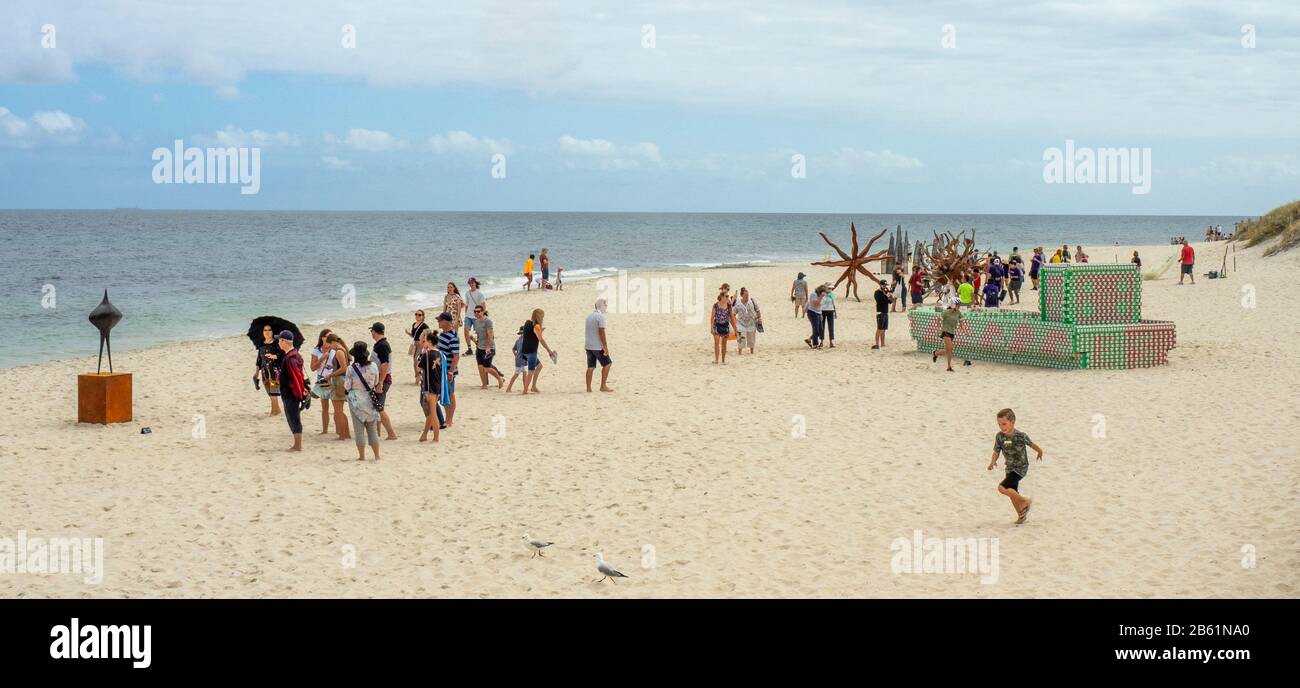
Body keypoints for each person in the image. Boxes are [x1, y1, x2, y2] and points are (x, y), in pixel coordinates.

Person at [987, 408, 1044, 525]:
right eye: (999, 424)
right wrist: (993, 462)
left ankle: (1025, 501)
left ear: (1013, 422)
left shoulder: (1020, 436)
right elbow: (996, 451)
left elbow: (1032, 444)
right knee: (1012, 492)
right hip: (1009, 468)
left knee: (1002, 488)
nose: (1001, 427)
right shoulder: (999, 437)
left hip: (1020, 468)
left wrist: (1039, 451)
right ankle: (1021, 515)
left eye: (1004, 424)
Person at [344, 341, 382, 461]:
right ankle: (377, 455)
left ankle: (362, 456)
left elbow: (347, 386)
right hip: (369, 398)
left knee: (358, 430)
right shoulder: (373, 366)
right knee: (372, 428)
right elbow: (376, 382)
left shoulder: (351, 368)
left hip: (355, 400)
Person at [274, 330, 307, 452]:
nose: (278, 342)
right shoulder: (293, 355)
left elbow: (296, 377)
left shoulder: (290, 358)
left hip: (291, 393)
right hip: (290, 392)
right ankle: (297, 445)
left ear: (284, 341)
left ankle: (297, 446)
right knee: (292, 417)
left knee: (293, 418)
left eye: (279, 340)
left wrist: (299, 394)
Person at [369, 322, 398, 440]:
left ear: (374, 332)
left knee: (379, 407)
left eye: (371, 331)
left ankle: (391, 434)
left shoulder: (382, 345)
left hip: (382, 379)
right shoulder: (381, 344)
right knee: (378, 407)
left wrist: (380, 382)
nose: (371, 333)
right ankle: (378, 432)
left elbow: (385, 364)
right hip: (381, 379)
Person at [321, 333, 352, 441]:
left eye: (329, 345)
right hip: (341, 381)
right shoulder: (342, 349)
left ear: (332, 342)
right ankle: (346, 433)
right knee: (340, 410)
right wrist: (332, 366)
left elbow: (343, 368)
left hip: (339, 381)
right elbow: (342, 366)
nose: (329, 348)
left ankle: (342, 435)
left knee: (338, 411)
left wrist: (330, 374)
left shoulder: (339, 351)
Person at [416, 330, 445, 442]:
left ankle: (436, 438)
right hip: (437, 385)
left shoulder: (426, 354)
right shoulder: (439, 354)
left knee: (432, 414)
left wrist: (424, 352)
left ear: (429, 341)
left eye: (425, 340)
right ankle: (424, 435)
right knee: (430, 413)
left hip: (429, 386)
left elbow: (418, 368)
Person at [521, 308, 555, 394]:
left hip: (524, 350)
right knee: (531, 371)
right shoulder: (537, 326)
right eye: (542, 316)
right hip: (531, 351)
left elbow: (530, 334)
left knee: (539, 366)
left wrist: (540, 331)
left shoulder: (527, 323)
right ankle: (525, 390)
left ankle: (533, 387)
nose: (543, 318)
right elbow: (541, 340)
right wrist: (549, 351)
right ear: (539, 316)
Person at [434, 312, 460, 426]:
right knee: (444, 394)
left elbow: (456, 356)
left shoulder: (453, 337)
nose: (438, 322)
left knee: (450, 394)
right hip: (441, 370)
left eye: (440, 320)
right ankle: (446, 418)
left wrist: (450, 372)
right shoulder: (442, 334)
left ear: (446, 322)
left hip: (448, 370)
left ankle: (449, 420)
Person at [472, 304, 505, 388]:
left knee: (486, 368)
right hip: (479, 348)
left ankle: (499, 379)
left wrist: (488, 347)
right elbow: (479, 335)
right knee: (480, 367)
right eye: (475, 312)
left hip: (489, 348)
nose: (477, 313)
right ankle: (484, 384)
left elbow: (490, 335)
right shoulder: (475, 322)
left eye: (478, 311)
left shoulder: (488, 322)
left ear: (483, 312)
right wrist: (474, 341)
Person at [584, 298, 614, 391]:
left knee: (591, 366)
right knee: (608, 363)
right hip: (597, 346)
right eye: (605, 305)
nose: (606, 307)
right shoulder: (600, 317)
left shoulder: (589, 316)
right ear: (601, 306)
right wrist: (605, 347)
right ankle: (603, 386)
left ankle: (588, 388)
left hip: (588, 345)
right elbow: (601, 332)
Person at [254, 324, 282, 416]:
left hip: (275, 372)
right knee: (269, 392)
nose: (267, 332)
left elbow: (283, 355)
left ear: (272, 332)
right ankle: (277, 410)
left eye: (269, 330)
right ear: (263, 332)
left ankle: (273, 412)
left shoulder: (277, 343)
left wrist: (274, 356)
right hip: (264, 373)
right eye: (265, 330)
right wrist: (256, 372)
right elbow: (259, 359)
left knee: (274, 392)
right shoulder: (261, 344)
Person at [310, 328, 333, 433]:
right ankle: (325, 430)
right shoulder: (316, 350)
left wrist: (331, 365)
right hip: (322, 380)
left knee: (337, 405)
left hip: (333, 379)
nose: (330, 338)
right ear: (322, 337)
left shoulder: (335, 349)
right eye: (328, 336)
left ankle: (340, 430)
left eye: (331, 336)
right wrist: (322, 358)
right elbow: (313, 368)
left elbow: (341, 365)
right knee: (325, 407)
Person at [931, 300, 964, 371]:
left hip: (952, 332)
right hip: (945, 331)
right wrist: (937, 329)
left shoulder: (958, 313)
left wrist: (965, 332)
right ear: (953, 305)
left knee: (948, 350)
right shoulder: (946, 312)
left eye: (959, 304)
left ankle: (935, 353)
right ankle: (949, 367)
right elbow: (938, 319)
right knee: (950, 349)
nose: (959, 306)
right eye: (957, 304)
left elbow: (962, 323)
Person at [711, 291, 737, 364]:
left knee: (724, 344)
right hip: (717, 325)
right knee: (716, 342)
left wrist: (735, 329)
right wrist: (711, 328)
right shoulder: (715, 305)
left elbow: (731, 317)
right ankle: (716, 360)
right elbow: (712, 317)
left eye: (728, 296)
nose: (727, 297)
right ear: (722, 297)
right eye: (726, 296)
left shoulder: (728, 305)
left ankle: (723, 360)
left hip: (725, 325)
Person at [463, 278, 486, 356]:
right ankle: (469, 349)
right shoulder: (467, 293)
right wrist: (466, 314)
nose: (471, 284)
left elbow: (483, 305)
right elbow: (467, 304)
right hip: (468, 316)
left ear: (475, 283)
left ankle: (479, 348)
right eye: (470, 283)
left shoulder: (479, 293)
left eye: (473, 283)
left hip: (477, 316)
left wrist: (482, 315)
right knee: (466, 331)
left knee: (479, 333)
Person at [732, 287, 760, 355]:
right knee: (740, 337)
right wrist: (734, 323)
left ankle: (752, 351)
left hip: (751, 322)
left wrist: (759, 318)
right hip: (741, 323)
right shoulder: (738, 303)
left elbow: (758, 310)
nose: (747, 296)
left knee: (752, 338)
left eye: (748, 295)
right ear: (742, 295)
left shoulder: (752, 301)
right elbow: (734, 313)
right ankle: (740, 352)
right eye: (745, 295)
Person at [404, 310, 430, 382]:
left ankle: (418, 378)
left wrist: (424, 342)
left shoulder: (424, 325)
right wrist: (408, 333)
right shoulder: (414, 324)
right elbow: (413, 336)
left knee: (417, 361)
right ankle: (417, 377)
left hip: (420, 344)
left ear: (423, 316)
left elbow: (429, 335)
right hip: (414, 344)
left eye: (419, 315)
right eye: (416, 314)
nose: (417, 316)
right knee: (415, 361)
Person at [872, 279, 892, 349]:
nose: (885, 286)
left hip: (885, 312)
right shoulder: (877, 292)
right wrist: (886, 295)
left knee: (883, 329)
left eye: (885, 285)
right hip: (880, 312)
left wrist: (890, 296)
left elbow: (890, 302)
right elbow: (880, 301)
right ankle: (877, 344)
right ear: (880, 285)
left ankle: (883, 344)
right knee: (879, 329)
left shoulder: (885, 292)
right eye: (883, 285)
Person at [506, 326, 526, 393]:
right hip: (521, 359)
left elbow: (513, 349)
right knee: (516, 374)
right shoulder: (525, 340)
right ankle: (508, 388)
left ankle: (525, 387)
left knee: (524, 373)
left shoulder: (519, 339)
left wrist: (516, 355)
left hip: (520, 359)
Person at [804, 285, 825, 349]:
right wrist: (821, 296)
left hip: (819, 313)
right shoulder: (813, 294)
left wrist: (821, 314)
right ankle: (815, 344)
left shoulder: (821, 296)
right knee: (815, 328)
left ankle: (809, 339)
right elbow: (816, 303)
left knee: (820, 329)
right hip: (812, 312)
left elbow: (821, 306)